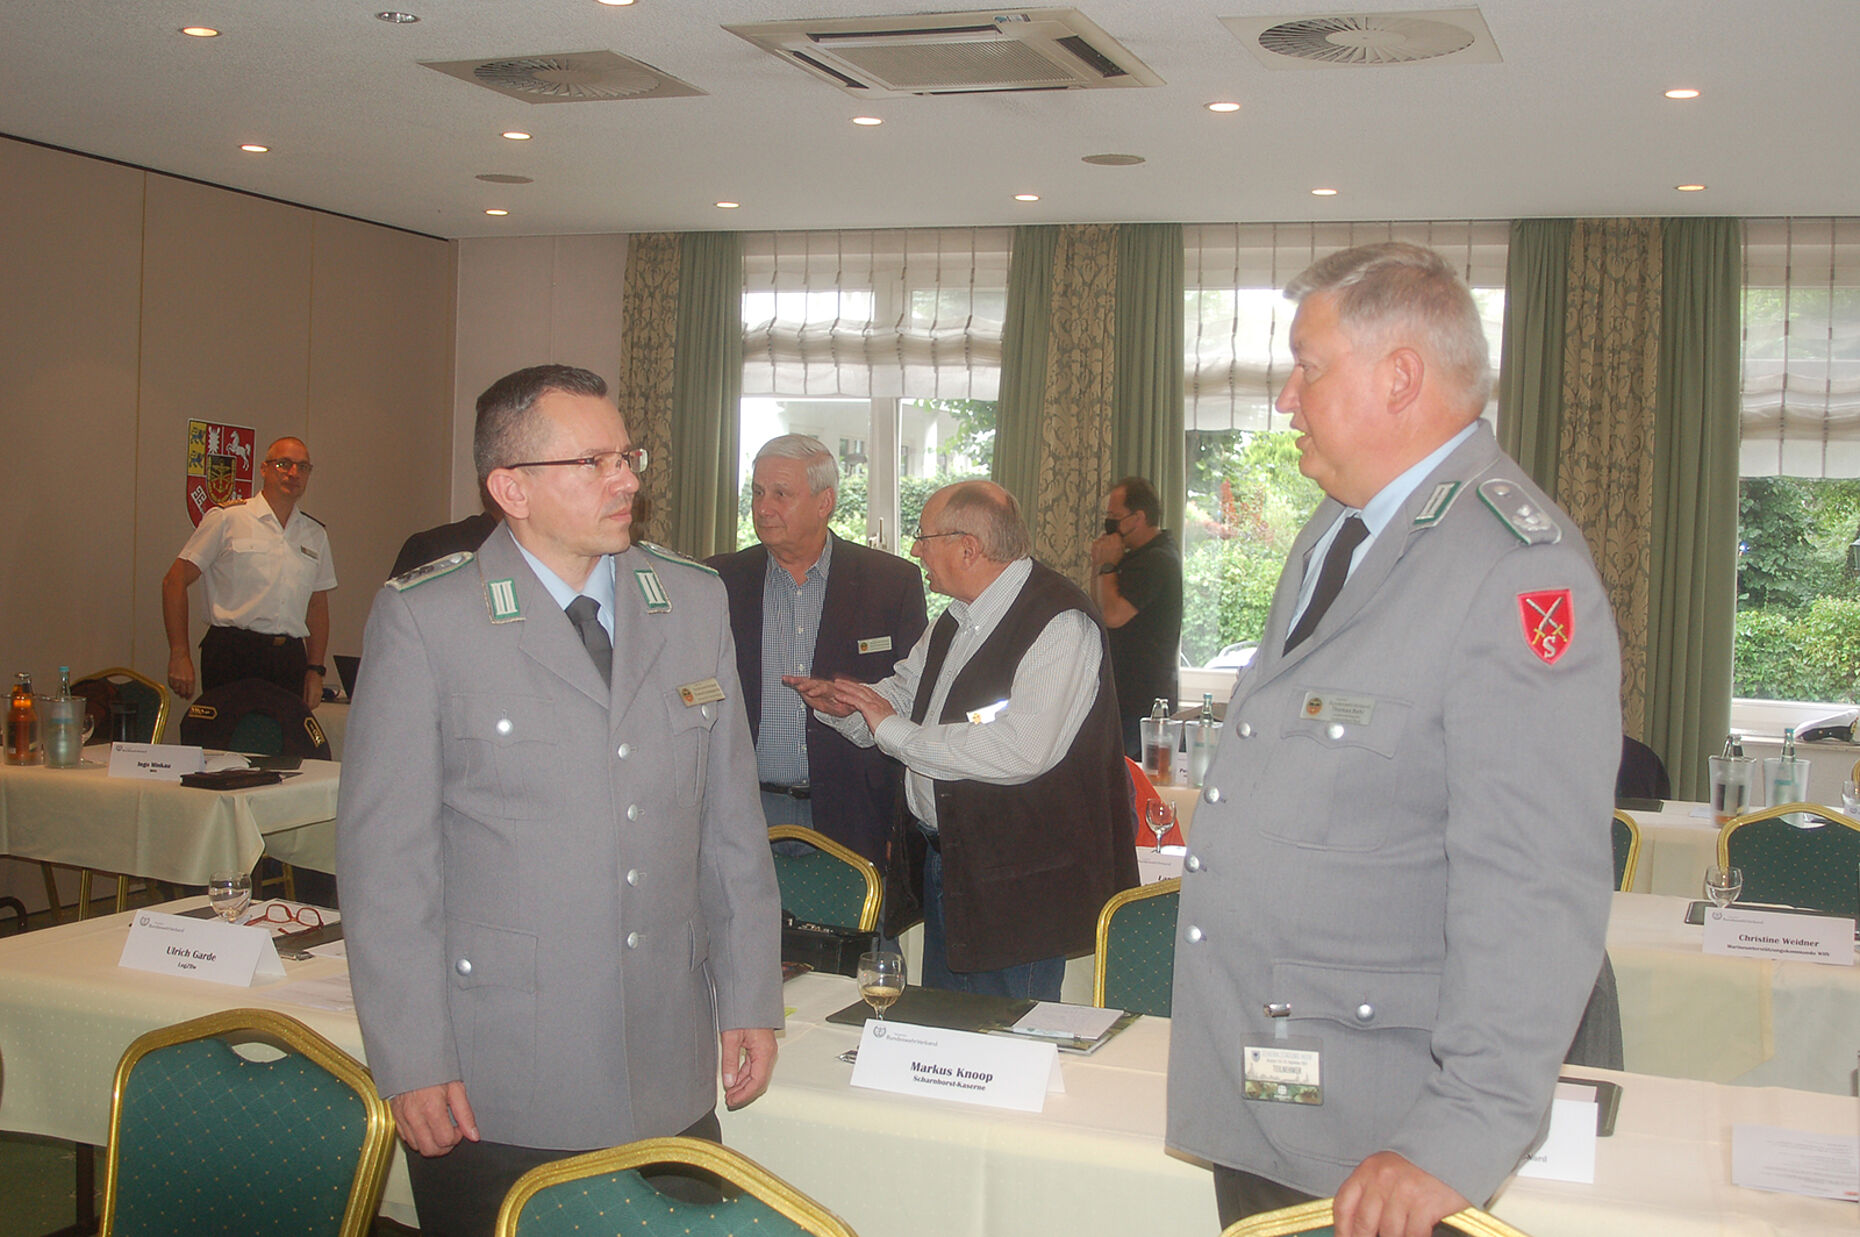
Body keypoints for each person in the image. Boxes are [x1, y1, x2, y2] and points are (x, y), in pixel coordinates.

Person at [1165, 242, 1620, 1237]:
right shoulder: (1342, 531)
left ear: (1399, 376)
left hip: (1381, 1131)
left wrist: (1460, 1132)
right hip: (1270, 1084)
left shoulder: (1512, 570)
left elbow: (1536, 882)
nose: (1288, 397)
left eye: (1308, 366)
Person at [336, 364, 782, 1237]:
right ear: (511, 489)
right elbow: (388, 865)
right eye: (593, 461)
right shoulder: (429, 618)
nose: (628, 479)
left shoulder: (691, 600)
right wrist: (411, 1057)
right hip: (499, 1073)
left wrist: (752, 994)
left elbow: (730, 825)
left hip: (666, 1059)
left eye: (627, 454)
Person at [787, 481, 1138, 1000]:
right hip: (949, 862)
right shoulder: (958, 617)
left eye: (923, 537)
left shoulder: (1059, 620)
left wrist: (891, 729)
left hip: (1020, 879)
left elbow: (1019, 750)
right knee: (948, 1031)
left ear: (968, 548)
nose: (914, 550)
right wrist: (851, 706)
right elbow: (906, 692)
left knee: (1003, 1044)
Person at [707, 434, 928, 868]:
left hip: (853, 816)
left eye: (781, 494)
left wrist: (897, 825)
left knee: (861, 937)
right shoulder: (718, 580)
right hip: (744, 814)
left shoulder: (891, 583)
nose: (763, 507)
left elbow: (916, 703)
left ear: (824, 502)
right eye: (757, 492)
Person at [162, 436, 335, 711]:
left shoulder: (315, 534)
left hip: (289, 659)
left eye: (303, 467)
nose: (293, 473)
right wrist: (179, 653)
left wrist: (315, 669)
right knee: (227, 746)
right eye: (284, 464)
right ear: (264, 469)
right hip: (233, 653)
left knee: (283, 746)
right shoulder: (228, 519)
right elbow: (174, 581)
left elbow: (317, 607)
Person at [1089, 475, 1184, 756]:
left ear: (1138, 517)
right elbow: (1101, 608)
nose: (1109, 524)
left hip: (1142, 704)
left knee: (1134, 790)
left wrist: (1107, 566)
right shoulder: (1134, 556)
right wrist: (1102, 565)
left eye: (1115, 517)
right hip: (1123, 698)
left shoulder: (1156, 560)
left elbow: (1114, 615)